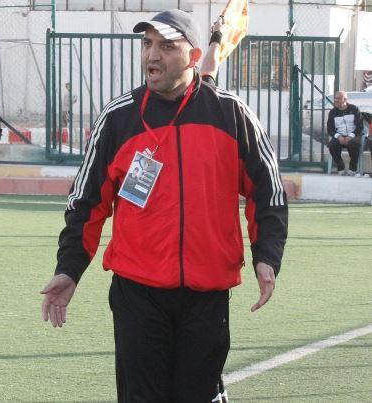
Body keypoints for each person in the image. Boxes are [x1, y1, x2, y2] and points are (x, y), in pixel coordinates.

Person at [40, 9, 288, 403]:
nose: (152, 55)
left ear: (194, 57)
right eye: (147, 44)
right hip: (137, 294)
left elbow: (268, 190)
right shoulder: (118, 118)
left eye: (167, 46)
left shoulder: (231, 114)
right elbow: (86, 203)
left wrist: (267, 255)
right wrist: (69, 268)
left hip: (206, 296)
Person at [327, 91, 363, 175]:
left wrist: (350, 136)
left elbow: (360, 126)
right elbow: (330, 129)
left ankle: (353, 168)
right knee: (332, 145)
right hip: (340, 136)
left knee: (353, 143)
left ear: (345, 99)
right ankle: (340, 167)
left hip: (353, 136)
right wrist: (339, 136)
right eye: (335, 98)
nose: (336, 100)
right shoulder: (332, 112)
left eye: (339, 98)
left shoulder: (354, 109)